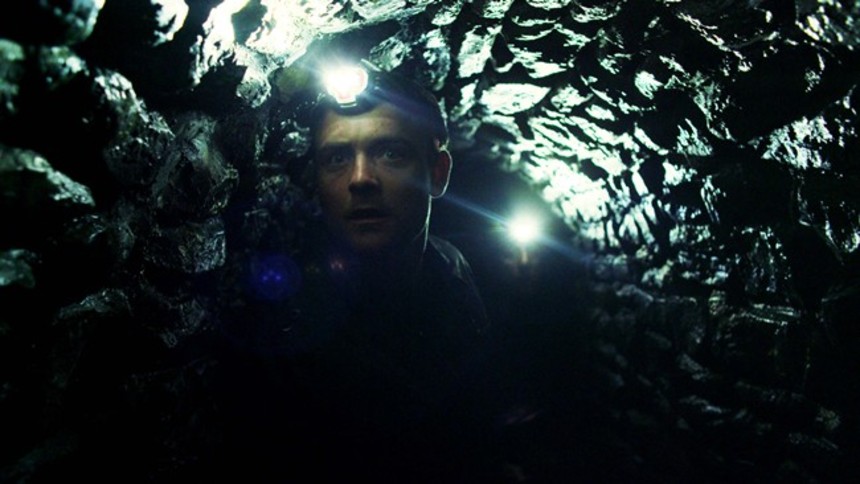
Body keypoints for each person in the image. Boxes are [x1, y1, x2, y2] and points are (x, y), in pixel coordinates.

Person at [211, 61, 496, 483]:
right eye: (337, 158)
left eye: (391, 153)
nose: (360, 179)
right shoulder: (279, 328)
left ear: (437, 173)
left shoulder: (454, 272)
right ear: (317, 180)